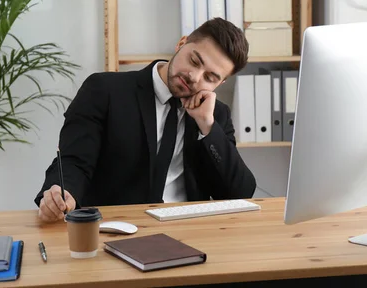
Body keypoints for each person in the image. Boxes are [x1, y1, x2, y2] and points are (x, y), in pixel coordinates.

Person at [34, 17, 257, 222]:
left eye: (210, 77)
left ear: (220, 83)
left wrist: (207, 127)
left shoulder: (215, 115)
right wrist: (64, 194)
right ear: (181, 44)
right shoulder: (105, 91)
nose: (194, 77)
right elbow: (74, 162)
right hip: (117, 227)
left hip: (188, 230)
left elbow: (239, 193)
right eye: (194, 61)